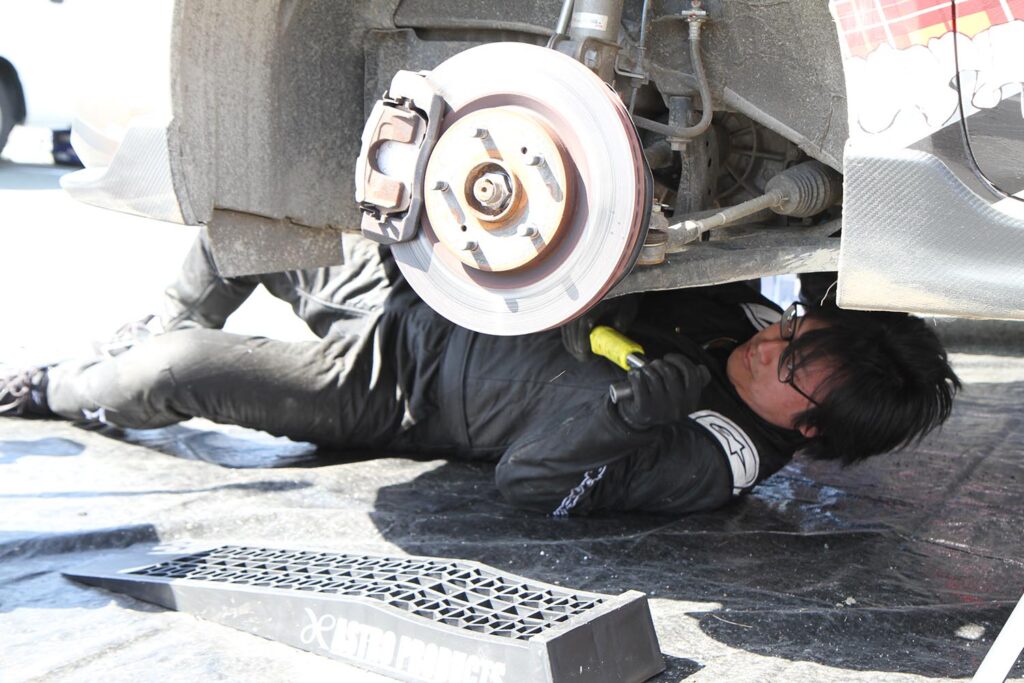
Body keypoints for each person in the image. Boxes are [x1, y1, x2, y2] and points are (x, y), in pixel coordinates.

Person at [0, 230, 960, 517]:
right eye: (795, 325)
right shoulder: (765, 321)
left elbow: (530, 483)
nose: (769, 341)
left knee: (168, 371)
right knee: (248, 221)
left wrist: (621, 419)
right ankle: (155, 319)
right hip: (421, 290)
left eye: (792, 361)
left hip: (390, 386)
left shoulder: (712, 460)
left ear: (810, 431)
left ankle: (54, 384)